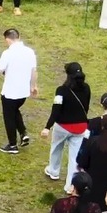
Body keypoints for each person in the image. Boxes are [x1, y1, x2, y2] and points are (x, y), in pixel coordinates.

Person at [41, 63, 91, 191]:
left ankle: (53, 170)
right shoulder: (87, 88)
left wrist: (48, 127)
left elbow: (56, 110)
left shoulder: (61, 90)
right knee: (75, 158)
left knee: (56, 147)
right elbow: (86, 107)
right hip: (80, 127)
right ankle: (71, 186)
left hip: (63, 126)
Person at [0, 28, 38, 154]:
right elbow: (33, 70)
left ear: (7, 39)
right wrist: (33, 86)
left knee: (9, 116)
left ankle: (12, 144)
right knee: (15, 111)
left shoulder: (8, 53)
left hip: (10, 92)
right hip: (23, 92)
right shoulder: (30, 52)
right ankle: (23, 133)